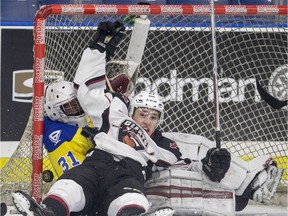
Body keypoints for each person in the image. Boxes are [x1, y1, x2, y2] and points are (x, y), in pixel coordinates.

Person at [12, 20, 177, 216]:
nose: (147, 120)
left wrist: (212, 166)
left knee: (133, 198)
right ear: (131, 111)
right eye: (142, 113)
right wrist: (98, 49)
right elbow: (86, 90)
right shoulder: (114, 111)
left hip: (129, 174)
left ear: (160, 120)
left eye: (154, 116)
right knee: (69, 186)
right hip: (97, 164)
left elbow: (188, 164)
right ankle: (46, 213)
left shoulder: (166, 146)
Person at [43, 80, 94, 177]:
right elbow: (79, 178)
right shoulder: (61, 135)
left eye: (78, 103)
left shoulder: (89, 118)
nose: (77, 108)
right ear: (54, 111)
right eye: (69, 106)